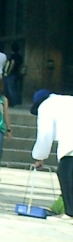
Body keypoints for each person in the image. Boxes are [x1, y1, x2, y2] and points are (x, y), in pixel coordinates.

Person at [31, 89, 73, 219]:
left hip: (70, 144)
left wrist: (39, 157)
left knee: (66, 174)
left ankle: (70, 212)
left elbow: (45, 134)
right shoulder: (67, 99)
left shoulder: (46, 106)